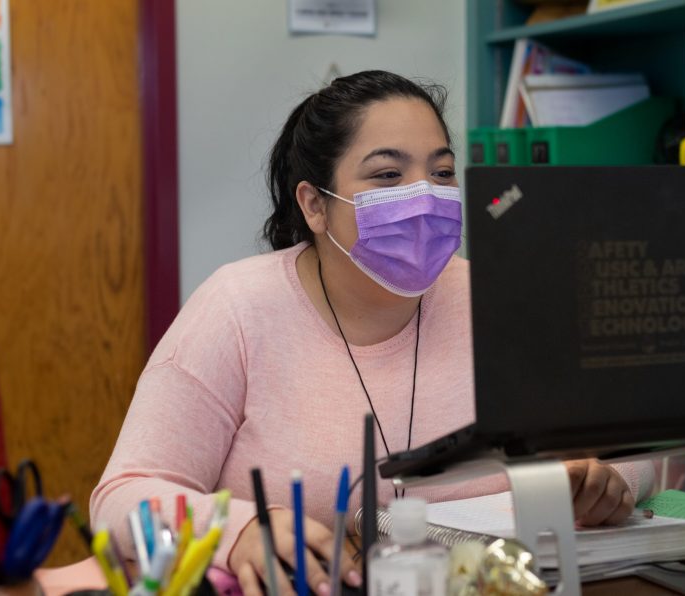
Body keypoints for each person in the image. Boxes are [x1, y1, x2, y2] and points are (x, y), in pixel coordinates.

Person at [90, 70, 654, 596]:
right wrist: (240, 529)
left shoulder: (499, 295)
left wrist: (613, 481)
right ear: (313, 204)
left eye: (441, 172)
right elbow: (123, 496)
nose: (425, 196)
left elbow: (647, 446)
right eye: (388, 175)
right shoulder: (237, 306)